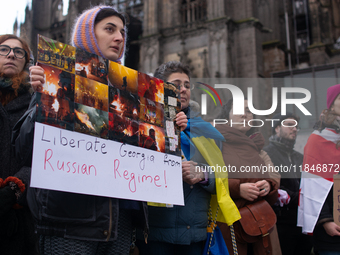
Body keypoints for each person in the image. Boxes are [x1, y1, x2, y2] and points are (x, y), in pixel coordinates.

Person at [15, 6, 188, 255]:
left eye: (122, 31)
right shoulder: (58, 78)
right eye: (109, 29)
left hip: (120, 221)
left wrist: (170, 131)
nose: (119, 37)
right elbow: (23, 148)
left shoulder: (136, 96)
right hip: (70, 222)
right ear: (88, 34)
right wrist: (42, 101)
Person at [136, 61, 229, 255]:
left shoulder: (205, 130)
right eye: (177, 84)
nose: (183, 89)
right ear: (161, 87)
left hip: (194, 233)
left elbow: (221, 179)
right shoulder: (143, 123)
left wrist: (203, 175)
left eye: (187, 85)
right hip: (156, 231)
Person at [215, 99, 279, 255]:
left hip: (261, 221)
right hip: (230, 225)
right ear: (226, 116)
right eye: (238, 110)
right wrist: (238, 189)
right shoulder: (215, 142)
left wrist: (268, 186)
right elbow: (207, 178)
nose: (244, 115)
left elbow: (274, 179)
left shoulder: (258, 148)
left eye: (249, 111)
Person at [0, 34, 38, 255]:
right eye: (4, 49)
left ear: (26, 61)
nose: (11, 54)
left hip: (20, 219)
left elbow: (41, 156)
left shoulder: (35, 103)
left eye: (19, 51)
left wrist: (13, 189)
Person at [298, 84, 340, 255]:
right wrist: (326, 220)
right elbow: (312, 188)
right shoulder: (317, 140)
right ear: (332, 105)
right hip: (332, 234)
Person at [263, 113, 312, 255]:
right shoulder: (267, 154)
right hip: (280, 223)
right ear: (277, 128)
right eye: (290, 125)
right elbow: (272, 185)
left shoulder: (300, 157)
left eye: (296, 126)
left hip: (303, 223)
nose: (295, 129)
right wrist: (301, 198)